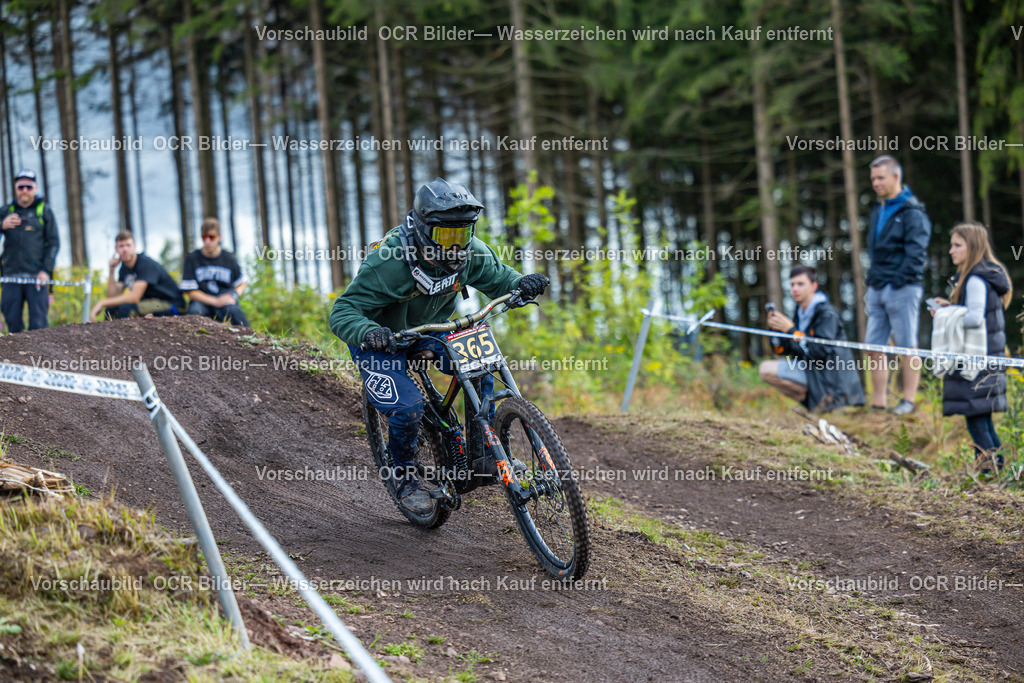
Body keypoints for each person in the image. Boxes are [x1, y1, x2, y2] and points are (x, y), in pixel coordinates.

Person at [329, 177, 548, 514]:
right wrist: (368, 332)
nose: (454, 244)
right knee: (407, 409)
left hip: (433, 330)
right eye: (445, 235)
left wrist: (522, 283)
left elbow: (500, 278)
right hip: (381, 340)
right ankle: (404, 477)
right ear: (421, 228)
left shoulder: (471, 252)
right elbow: (343, 312)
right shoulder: (388, 262)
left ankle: (486, 457)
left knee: (481, 365)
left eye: (462, 233)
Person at [930, 222, 1011, 473]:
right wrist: (949, 308)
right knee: (981, 420)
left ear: (972, 247)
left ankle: (989, 475)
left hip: (976, 362)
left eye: (957, 245)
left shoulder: (975, 278)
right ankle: (997, 474)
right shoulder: (983, 276)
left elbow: (975, 318)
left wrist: (943, 316)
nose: (951, 251)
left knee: (977, 421)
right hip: (985, 359)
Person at [863, 154, 932, 415]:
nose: (876, 183)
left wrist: (898, 282)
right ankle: (878, 403)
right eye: (872, 179)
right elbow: (875, 251)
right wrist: (872, 283)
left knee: (906, 345)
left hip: (903, 288)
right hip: (877, 288)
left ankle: (908, 401)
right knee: (873, 346)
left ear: (895, 177)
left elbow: (917, 254)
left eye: (880, 178)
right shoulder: (878, 210)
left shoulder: (913, 212)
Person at [759, 265, 865, 413]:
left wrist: (791, 331)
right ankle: (816, 406)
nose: (795, 289)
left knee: (767, 368)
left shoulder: (826, 314)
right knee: (766, 369)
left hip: (831, 378)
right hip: (812, 371)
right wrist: (776, 331)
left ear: (813, 286)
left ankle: (828, 405)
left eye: (800, 284)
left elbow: (818, 351)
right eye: (792, 284)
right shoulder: (800, 313)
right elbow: (785, 351)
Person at [0, 169, 59, 333]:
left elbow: (54, 243)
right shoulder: (5, 211)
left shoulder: (44, 212)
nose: (25, 190)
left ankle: (38, 359)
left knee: (39, 327)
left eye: (28, 186)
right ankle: (13, 359)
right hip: (10, 277)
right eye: (21, 187)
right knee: (12, 325)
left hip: (37, 278)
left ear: (35, 187)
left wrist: (46, 271)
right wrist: (1, 226)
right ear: (15, 188)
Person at [90, 231, 185, 321]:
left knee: (127, 309)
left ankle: (126, 337)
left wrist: (102, 303)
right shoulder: (124, 267)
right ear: (116, 249)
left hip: (169, 303)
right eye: (121, 246)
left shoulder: (145, 264)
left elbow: (134, 297)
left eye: (128, 245)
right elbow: (113, 296)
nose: (125, 249)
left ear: (134, 246)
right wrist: (111, 270)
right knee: (111, 309)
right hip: (148, 302)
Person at [180, 218, 249, 326]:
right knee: (194, 312)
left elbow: (242, 282)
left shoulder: (229, 258)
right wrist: (215, 301)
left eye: (212, 237)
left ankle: (251, 340)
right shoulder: (193, 258)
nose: (208, 241)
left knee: (235, 312)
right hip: (202, 302)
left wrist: (234, 295)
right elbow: (191, 292)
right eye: (204, 237)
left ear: (219, 237)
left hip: (225, 302)